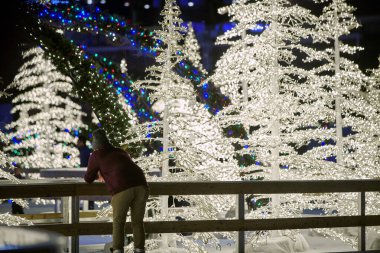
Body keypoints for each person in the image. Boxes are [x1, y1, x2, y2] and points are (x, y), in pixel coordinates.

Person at [84, 129, 149, 253]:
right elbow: (122, 166)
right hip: (141, 185)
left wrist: (99, 173)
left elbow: (88, 178)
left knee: (118, 222)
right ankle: (139, 249)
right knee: (137, 222)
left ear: (95, 143)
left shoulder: (96, 155)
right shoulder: (120, 151)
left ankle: (118, 249)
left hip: (122, 188)